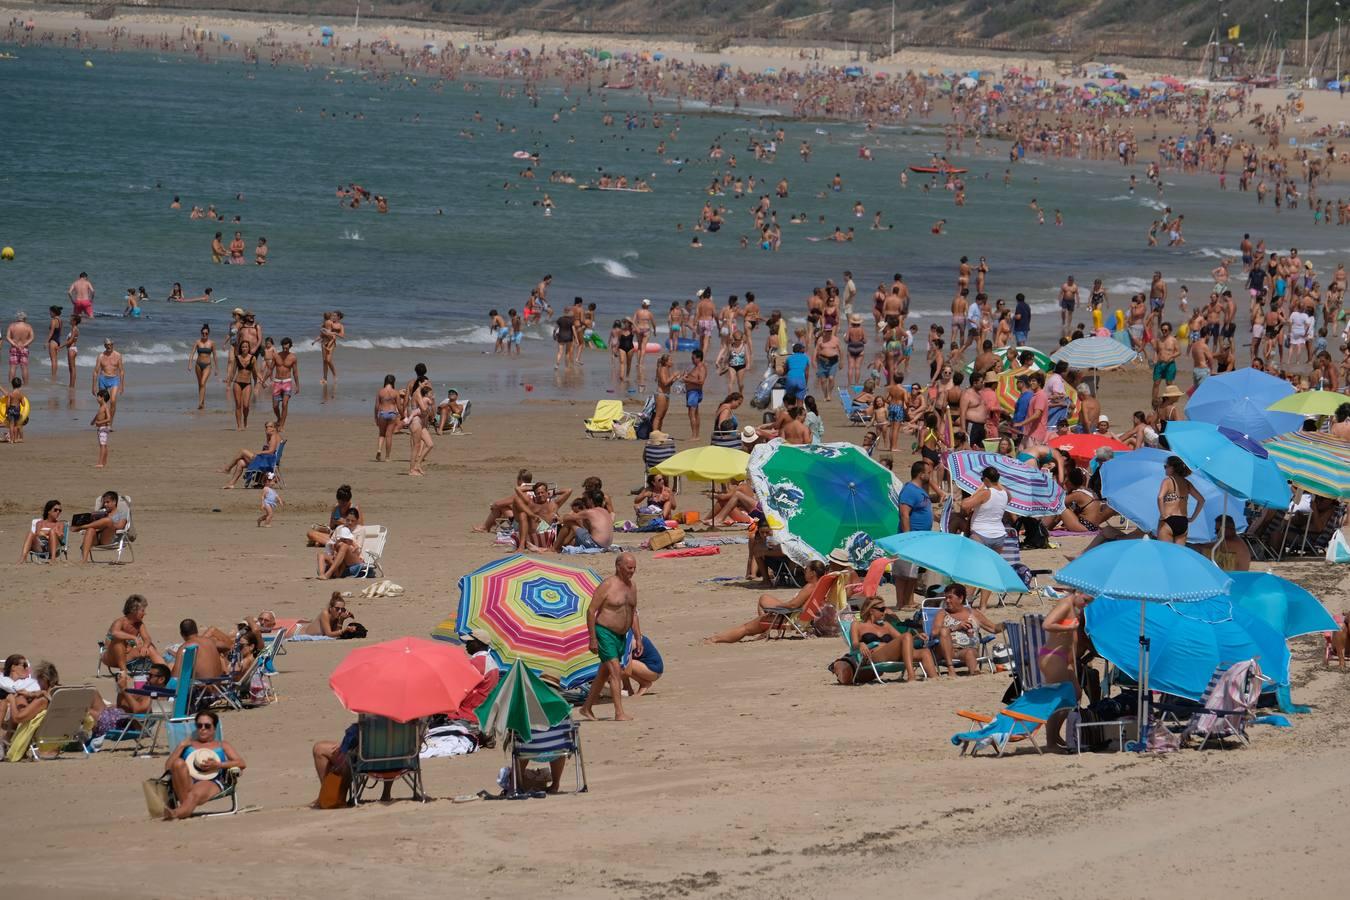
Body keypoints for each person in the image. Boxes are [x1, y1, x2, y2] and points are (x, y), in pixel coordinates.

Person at [580, 553, 640, 722]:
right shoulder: (607, 585)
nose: (632, 571)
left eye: (634, 568)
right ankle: (619, 712)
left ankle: (586, 708)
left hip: (621, 636)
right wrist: (592, 638)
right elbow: (591, 611)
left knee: (603, 673)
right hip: (604, 632)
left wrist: (638, 636)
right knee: (615, 671)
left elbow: (633, 612)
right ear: (618, 567)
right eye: (629, 568)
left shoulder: (632, 586)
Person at [706, 560, 826, 643]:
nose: (804, 571)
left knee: (746, 628)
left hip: (791, 619)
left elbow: (793, 605)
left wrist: (778, 607)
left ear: (813, 573)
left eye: (806, 570)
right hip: (800, 617)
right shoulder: (820, 585)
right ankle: (762, 629)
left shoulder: (810, 586)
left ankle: (714, 640)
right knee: (764, 598)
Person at [829, 597, 936, 684]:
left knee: (924, 652)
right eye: (881, 609)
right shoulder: (857, 625)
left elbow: (904, 639)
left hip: (893, 654)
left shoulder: (886, 625)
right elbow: (854, 645)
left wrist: (916, 637)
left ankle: (935, 680)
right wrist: (861, 644)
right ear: (871, 610)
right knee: (906, 636)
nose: (884, 612)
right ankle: (911, 676)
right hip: (874, 656)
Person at [162, 710, 246, 820]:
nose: (202, 729)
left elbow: (241, 763)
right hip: (187, 780)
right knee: (178, 763)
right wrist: (181, 746)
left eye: (207, 726)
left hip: (211, 781)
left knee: (194, 794)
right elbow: (168, 767)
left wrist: (218, 765)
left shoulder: (222, 745)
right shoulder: (187, 745)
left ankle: (177, 813)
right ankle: (185, 810)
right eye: (199, 725)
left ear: (214, 728)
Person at [927, 584, 1004, 675]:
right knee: (944, 631)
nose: (947, 601)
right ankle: (950, 667)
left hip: (967, 651)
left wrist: (1006, 624)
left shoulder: (974, 613)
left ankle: (974, 673)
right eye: (946, 598)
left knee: (970, 652)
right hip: (948, 651)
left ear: (960, 598)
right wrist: (956, 627)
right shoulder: (942, 613)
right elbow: (934, 632)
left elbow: (994, 628)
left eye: (950, 597)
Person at [894, 460, 933, 607]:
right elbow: (904, 514)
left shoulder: (920, 490)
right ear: (921, 474)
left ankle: (908, 601)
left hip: (920, 537)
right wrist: (907, 535)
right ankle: (901, 602)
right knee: (903, 571)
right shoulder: (910, 490)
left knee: (913, 570)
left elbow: (922, 510)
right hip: (911, 536)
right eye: (928, 473)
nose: (930, 475)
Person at [1039, 590, 1092, 689]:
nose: (1086, 605)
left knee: (1076, 694)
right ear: (1077, 592)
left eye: (1088, 603)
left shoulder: (1074, 607)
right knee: (1059, 697)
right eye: (1085, 600)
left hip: (1064, 658)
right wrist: (1069, 628)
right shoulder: (1065, 604)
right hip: (1054, 657)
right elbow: (1047, 624)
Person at [100, 594, 166, 672]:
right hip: (111, 657)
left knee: (149, 647)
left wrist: (145, 646)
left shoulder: (139, 624)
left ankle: (164, 671)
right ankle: (123, 672)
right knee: (118, 641)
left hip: (127, 656)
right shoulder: (120, 622)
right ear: (134, 610)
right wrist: (133, 637)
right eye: (142, 610)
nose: (145, 613)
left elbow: (147, 638)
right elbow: (115, 633)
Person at [1157, 455, 1203, 544]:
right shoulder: (1187, 483)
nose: (1164, 469)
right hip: (1183, 521)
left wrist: (1163, 515)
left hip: (1168, 519)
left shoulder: (1167, 481)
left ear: (1172, 468)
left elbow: (1160, 497)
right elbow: (1201, 500)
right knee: (1179, 555)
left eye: (1165, 466)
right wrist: (1193, 518)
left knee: (1165, 553)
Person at [221, 420, 281, 489]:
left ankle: (227, 468)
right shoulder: (273, 435)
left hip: (267, 461)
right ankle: (231, 484)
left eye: (270, 427)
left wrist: (259, 452)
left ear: (275, 428)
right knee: (240, 462)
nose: (268, 428)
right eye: (266, 427)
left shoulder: (274, 436)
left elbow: (271, 451)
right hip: (267, 459)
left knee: (242, 451)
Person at [72, 491, 128, 563]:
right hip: (95, 538)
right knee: (90, 529)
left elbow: (121, 526)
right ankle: (84, 560)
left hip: (108, 539)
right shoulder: (100, 513)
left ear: (114, 502)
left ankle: (81, 527)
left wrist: (107, 524)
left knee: (108, 521)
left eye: (107, 502)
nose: (105, 504)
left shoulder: (122, 513)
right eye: (104, 503)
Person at [316, 509, 364, 579]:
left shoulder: (360, 530)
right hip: (338, 554)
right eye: (348, 520)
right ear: (344, 519)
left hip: (354, 557)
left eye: (352, 521)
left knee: (344, 546)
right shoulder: (339, 528)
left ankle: (329, 574)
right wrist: (334, 547)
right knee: (321, 555)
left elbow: (358, 549)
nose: (350, 523)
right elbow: (331, 542)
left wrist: (347, 544)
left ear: (357, 520)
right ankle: (321, 574)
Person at [266, 337, 300, 428]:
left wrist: (297, 386)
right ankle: (279, 418)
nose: (285, 349)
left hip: (287, 382)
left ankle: (282, 425)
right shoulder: (276, 356)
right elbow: (270, 369)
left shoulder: (293, 357)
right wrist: (263, 380)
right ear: (282, 346)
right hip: (277, 382)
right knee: (275, 406)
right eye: (284, 347)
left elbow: (295, 372)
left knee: (285, 404)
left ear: (290, 347)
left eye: (287, 348)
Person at [18, 499, 64, 563]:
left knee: (52, 532)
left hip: (53, 548)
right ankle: (23, 558)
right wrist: (51, 533)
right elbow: (38, 534)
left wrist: (47, 533)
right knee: (30, 533)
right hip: (40, 547)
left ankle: (53, 559)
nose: (58, 512)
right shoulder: (40, 523)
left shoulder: (60, 524)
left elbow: (61, 536)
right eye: (55, 510)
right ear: (49, 511)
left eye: (60, 510)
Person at [91, 338, 125, 422]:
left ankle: (110, 423)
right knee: (103, 402)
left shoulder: (118, 355)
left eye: (111, 345)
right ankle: (103, 421)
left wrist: (122, 385)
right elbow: (95, 371)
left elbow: (121, 371)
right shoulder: (101, 356)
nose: (109, 346)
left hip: (114, 379)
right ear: (104, 345)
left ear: (113, 345)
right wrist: (93, 386)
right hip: (103, 379)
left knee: (113, 401)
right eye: (107, 345)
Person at [189, 324, 217, 410]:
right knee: (200, 384)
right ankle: (202, 403)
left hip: (207, 365)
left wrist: (217, 368)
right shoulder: (197, 342)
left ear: (208, 334)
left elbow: (215, 356)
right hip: (198, 365)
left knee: (202, 383)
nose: (204, 335)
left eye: (206, 333)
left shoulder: (212, 343)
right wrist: (190, 364)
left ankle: (200, 403)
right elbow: (192, 353)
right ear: (201, 333)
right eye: (203, 333)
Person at [683, 349, 707, 439]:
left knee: (692, 414)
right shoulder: (695, 367)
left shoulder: (701, 368)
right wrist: (686, 376)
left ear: (699, 358)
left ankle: (695, 436)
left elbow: (701, 381)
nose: (692, 360)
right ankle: (696, 435)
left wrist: (687, 379)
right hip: (691, 392)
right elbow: (693, 378)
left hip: (694, 393)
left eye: (693, 358)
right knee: (694, 413)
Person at [6, 311, 34, 384]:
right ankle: (26, 385)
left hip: (14, 348)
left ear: (17, 318)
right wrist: (24, 345)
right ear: (25, 318)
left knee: (13, 367)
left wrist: (14, 344)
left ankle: (10, 385)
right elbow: (32, 337)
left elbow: (8, 337)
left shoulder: (12, 326)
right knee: (24, 367)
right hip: (24, 348)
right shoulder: (28, 326)